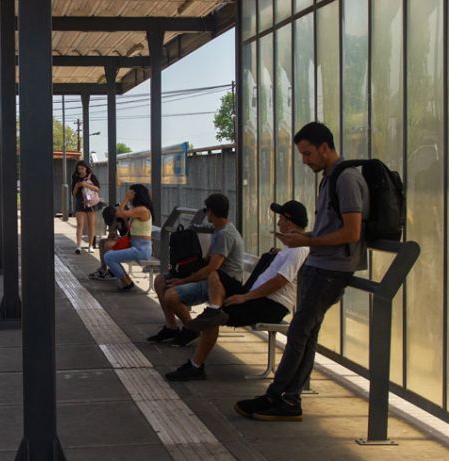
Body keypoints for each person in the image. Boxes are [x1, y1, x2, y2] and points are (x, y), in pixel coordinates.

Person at [235, 122, 369, 422]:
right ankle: (290, 400)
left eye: (308, 154)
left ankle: (276, 397)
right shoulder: (330, 178)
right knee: (306, 334)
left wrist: (307, 240)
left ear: (325, 147)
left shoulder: (346, 179)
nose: (305, 160)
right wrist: (305, 241)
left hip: (333, 269)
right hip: (320, 264)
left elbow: (352, 231)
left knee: (298, 331)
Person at [165, 200, 310, 381]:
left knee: (212, 320)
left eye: (280, 218)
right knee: (214, 274)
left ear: (289, 222)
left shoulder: (299, 250)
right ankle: (215, 310)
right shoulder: (290, 248)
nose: (278, 222)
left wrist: (245, 297)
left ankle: (195, 365)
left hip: (270, 305)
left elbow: (279, 282)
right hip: (257, 297)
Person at [148, 193, 244, 347]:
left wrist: (184, 280)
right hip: (212, 278)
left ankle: (191, 328)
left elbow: (213, 268)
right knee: (161, 281)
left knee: (171, 295)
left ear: (211, 212)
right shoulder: (219, 230)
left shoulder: (225, 234)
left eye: (207, 210)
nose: (206, 214)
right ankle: (171, 326)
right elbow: (207, 261)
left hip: (222, 284)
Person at [103, 184, 154, 291]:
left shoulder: (142, 210)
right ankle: (126, 281)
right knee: (108, 249)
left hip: (141, 250)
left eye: (131, 193)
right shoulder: (138, 209)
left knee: (109, 257)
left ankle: (126, 282)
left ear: (136, 195)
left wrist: (125, 199)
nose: (129, 195)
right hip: (135, 245)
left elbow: (118, 213)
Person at [89, 204, 129, 280]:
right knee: (102, 243)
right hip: (124, 241)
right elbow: (111, 234)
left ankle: (114, 271)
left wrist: (125, 219)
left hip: (130, 242)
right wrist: (113, 233)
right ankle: (103, 269)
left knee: (108, 245)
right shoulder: (115, 217)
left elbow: (131, 233)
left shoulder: (128, 215)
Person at [71, 160, 100, 254]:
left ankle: (90, 246)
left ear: (86, 168)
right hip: (80, 201)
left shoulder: (92, 176)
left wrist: (86, 185)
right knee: (80, 224)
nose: (81, 171)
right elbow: (74, 194)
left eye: (82, 168)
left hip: (91, 201)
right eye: (79, 169)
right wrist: (77, 186)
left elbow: (97, 189)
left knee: (91, 224)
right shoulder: (75, 177)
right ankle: (78, 246)